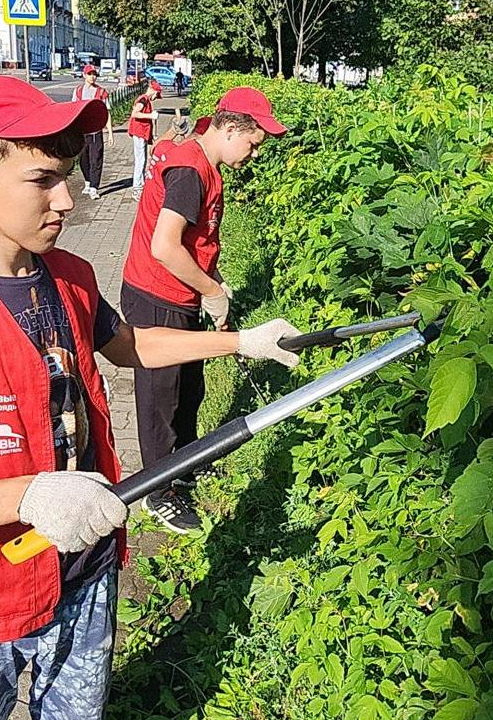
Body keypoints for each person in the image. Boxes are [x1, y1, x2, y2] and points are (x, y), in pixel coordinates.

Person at [0, 76, 300, 720]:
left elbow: (131, 346)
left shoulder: (70, 275)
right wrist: (26, 495)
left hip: (85, 571)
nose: (68, 198)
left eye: (68, 175)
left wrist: (241, 343)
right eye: (42, 180)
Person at [121, 87, 287, 533]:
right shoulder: (191, 172)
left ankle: (186, 463)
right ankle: (157, 493)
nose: (253, 154)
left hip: (180, 295)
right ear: (231, 129)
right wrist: (212, 289)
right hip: (156, 297)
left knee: (189, 389)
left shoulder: (201, 155)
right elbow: (164, 247)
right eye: (252, 144)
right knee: (161, 399)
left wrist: (207, 286)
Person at [71, 64, 113, 200]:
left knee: (96, 159)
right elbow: (73, 109)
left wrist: (110, 132)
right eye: (90, 74)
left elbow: (106, 112)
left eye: (94, 74)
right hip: (81, 131)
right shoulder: (78, 91)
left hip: (96, 131)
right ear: (84, 75)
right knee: (83, 160)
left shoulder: (101, 92)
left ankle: (95, 187)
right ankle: (88, 182)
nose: (93, 77)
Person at [127, 79, 162, 201]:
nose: (156, 98)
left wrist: (152, 136)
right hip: (139, 133)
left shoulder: (146, 101)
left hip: (143, 134)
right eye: (157, 95)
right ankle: (137, 188)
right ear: (153, 91)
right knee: (140, 161)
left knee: (143, 160)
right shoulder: (143, 99)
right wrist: (150, 115)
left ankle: (140, 185)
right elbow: (135, 114)